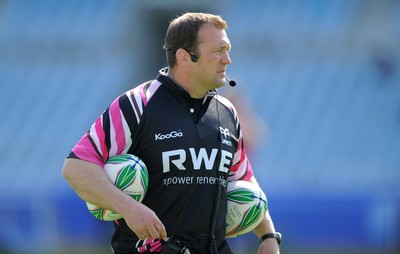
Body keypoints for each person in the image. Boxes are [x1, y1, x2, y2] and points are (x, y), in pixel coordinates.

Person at [62, 12, 281, 254]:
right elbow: (76, 167)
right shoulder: (137, 105)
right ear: (184, 57)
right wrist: (129, 209)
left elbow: (243, 180)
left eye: (227, 49)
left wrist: (268, 235)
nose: (227, 59)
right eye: (218, 51)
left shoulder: (227, 112)